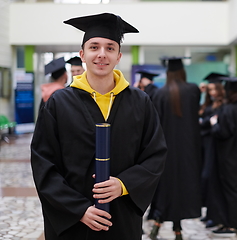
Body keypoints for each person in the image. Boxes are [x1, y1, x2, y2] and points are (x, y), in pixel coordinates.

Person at [31, 12, 167, 240]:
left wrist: (124, 184)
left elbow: (156, 154)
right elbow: (44, 163)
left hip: (120, 215)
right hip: (73, 221)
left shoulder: (140, 102)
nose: (102, 54)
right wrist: (78, 210)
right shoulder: (59, 102)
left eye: (110, 48)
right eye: (94, 47)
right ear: (82, 54)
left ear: (118, 56)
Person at [148, 57, 202, 240]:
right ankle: (178, 229)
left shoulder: (159, 94)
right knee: (183, 187)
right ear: (182, 71)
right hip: (189, 150)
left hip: (166, 150)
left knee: (166, 187)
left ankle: (158, 221)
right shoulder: (193, 90)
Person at [209, 76, 237, 237]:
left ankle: (229, 225)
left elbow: (223, 132)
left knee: (227, 189)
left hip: (227, 155)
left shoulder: (228, 109)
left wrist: (214, 124)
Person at [198, 72, 226, 228]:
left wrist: (205, 121)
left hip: (214, 146)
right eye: (210, 89)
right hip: (204, 145)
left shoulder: (222, 105)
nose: (212, 92)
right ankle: (209, 213)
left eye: (215, 89)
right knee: (205, 179)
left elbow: (213, 122)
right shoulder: (208, 104)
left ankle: (215, 216)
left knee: (210, 178)